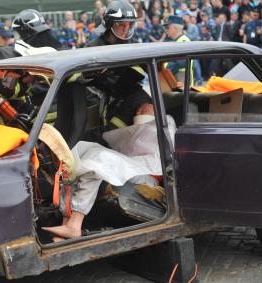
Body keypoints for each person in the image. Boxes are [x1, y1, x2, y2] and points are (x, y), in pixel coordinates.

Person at [42, 103, 176, 240]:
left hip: (149, 177)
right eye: (138, 114)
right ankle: (66, 225)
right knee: (80, 160)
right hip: (134, 168)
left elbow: (161, 165)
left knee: (100, 161)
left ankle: (74, 225)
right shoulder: (137, 134)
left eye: (144, 114)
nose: (140, 115)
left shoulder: (167, 129)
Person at [84, 0, 152, 132]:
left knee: (148, 112)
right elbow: (85, 81)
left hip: (133, 96)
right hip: (106, 99)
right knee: (110, 133)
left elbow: (150, 69)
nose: (126, 29)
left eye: (129, 24)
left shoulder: (135, 46)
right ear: (110, 24)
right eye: (121, 24)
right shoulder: (93, 49)